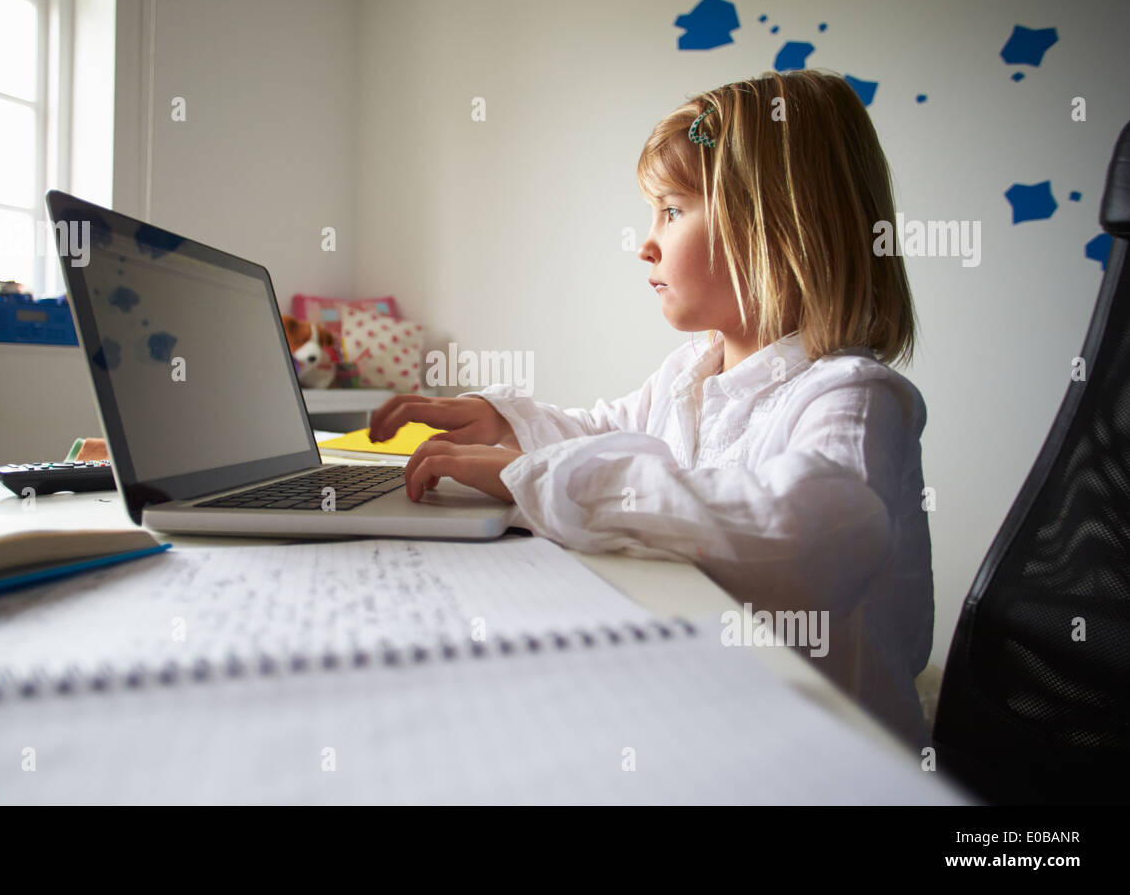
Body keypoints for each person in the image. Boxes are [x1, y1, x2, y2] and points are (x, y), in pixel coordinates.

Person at [368, 69, 934, 749]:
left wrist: (538, 474)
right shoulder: (691, 372)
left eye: (671, 210)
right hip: (715, 699)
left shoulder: (851, 394)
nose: (646, 243)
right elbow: (607, 430)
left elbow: (805, 537)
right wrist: (505, 424)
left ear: (775, 224)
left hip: (825, 749)